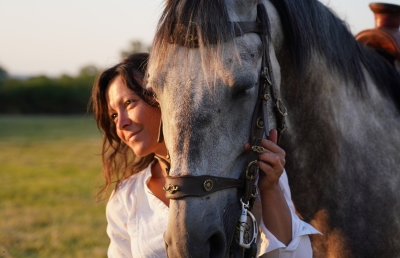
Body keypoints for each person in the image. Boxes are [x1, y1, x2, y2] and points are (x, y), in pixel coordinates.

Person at [91, 53, 319, 258]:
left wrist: (270, 189)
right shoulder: (126, 198)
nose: (121, 123)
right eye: (112, 115)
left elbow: (294, 255)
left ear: (166, 97)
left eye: (129, 103)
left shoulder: (250, 171)